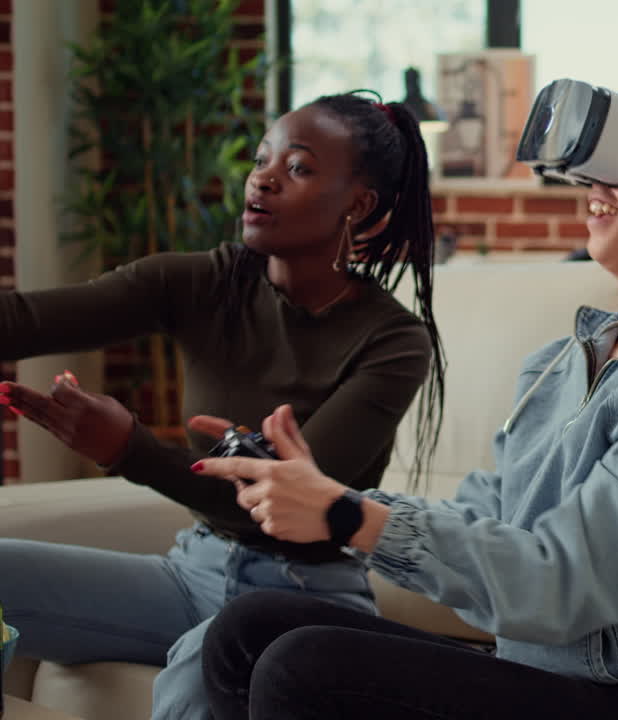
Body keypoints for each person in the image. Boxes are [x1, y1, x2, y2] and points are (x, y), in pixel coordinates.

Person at [193, 75, 618, 720]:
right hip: (541, 676)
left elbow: (561, 588)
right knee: (252, 627)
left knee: (307, 668)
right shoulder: (562, 364)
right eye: (592, 170)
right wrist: (335, 499)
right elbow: (488, 527)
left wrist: (350, 518)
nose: (595, 190)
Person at [0, 92, 445, 720]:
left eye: (298, 167)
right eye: (262, 160)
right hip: (192, 570)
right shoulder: (203, 284)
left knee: (197, 671)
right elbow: (23, 321)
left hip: (305, 598)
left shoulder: (393, 341)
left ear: (359, 203)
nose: (262, 177)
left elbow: (284, 505)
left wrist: (127, 449)